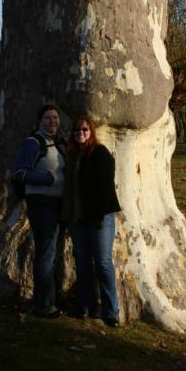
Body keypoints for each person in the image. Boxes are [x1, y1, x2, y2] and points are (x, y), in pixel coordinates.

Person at [62, 115, 121, 327]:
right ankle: (84, 305)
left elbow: (105, 189)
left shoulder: (100, 153)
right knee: (83, 262)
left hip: (100, 217)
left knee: (103, 262)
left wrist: (96, 217)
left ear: (91, 132)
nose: (81, 133)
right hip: (77, 217)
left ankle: (111, 311)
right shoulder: (70, 155)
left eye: (85, 129)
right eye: (77, 130)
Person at [12, 104, 66, 318]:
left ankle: (49, 298)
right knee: (46, 254)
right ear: (39, 122)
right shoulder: (33, 143)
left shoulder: (56, 143)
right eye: (47, 118)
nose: (52, 122)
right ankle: (43, 305)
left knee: (50, 253)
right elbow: (19, 173)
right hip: (42, 204)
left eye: (55, 118)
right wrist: (48, 178)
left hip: (57, 204)